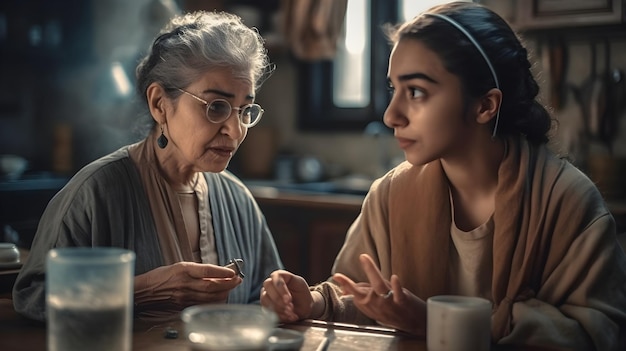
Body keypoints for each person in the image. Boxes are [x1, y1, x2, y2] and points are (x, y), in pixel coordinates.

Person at [260, 2, 626, 350]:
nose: (391, 115)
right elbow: (360, 296)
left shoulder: (568, 201)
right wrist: (312, 303)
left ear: (485, 105)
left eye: (416, 91)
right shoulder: (391, 193)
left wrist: (437, 320)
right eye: (394, 89)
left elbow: (596, 333)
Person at [13, 10, 284, 323]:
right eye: (216, 106)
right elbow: (32, 297)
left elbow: (264, 301)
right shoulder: (95, 194)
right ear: (159, 104)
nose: (235, 131)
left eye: (244, 110)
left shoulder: (238, 201)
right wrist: (140, 291)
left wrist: (283, 298)